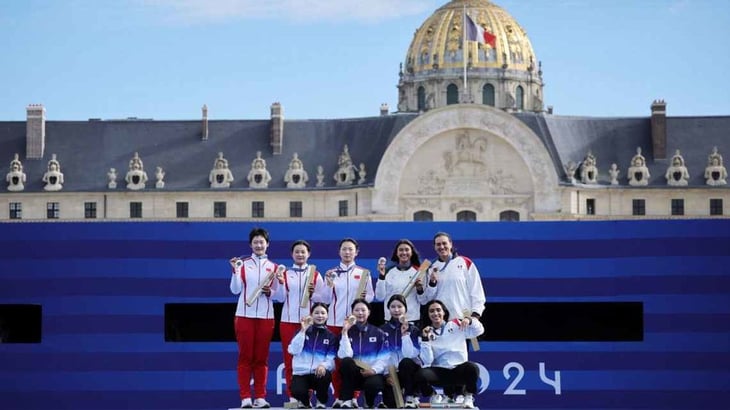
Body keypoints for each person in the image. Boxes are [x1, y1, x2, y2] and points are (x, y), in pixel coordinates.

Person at [272, 240, 329, 406]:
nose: (300, 254)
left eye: (303, 252)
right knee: (290, 360)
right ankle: (293, 397)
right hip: (288, 321)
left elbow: (323, 300)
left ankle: (307, 399)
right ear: (292, 254)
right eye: (297, 252)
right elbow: (280, 298)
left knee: (309, 361)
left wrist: (313, 295)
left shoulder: (316, 274)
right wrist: (281, 284)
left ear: (308, 254)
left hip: (309, 324)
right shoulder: (285, 273)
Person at [229, 227, 281, 409]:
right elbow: (235, 290)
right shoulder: (242, 264)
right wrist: (235, 272)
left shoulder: (274, 268)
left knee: (261, 359)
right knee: (245, 358)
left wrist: (271, 291)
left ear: (268, 244)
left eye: (262, 242)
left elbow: (279, 297)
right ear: (250, 245)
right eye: (255, 242)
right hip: (244, 316)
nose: (259, 245)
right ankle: (245, 398)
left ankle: (260, 397)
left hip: (266, 317)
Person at [321, 238, 375, 407]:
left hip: (355, 323)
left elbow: (371, 297)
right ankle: (338, 396)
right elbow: (325, 299)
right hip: (335, 322)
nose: (347, 252)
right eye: (344, 249)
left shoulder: (364, 273)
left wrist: (365, 295)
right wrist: (328, 284)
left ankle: (353, 397)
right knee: (337, 362)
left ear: (356, 252)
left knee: (355, 361)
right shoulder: (331, 273)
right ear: (339, 252)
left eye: (350, 249)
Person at [414, 300, 484, 409]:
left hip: (458, 370)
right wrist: (425, 340)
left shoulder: (456, 324)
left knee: (472, 368)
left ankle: (469, 397)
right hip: (440, 372)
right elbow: (427, 361)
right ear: (428, 315)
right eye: (431, 311)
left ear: (444, 312)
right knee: (421, 374)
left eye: (438, 310)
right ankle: (433, 395)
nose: (435, 313)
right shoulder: (426, 332)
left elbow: (479, 331)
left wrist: (469, 320)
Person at [337, 299, 389, 409]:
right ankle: (347, 400)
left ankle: (369, 402)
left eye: (363, 310)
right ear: (352, 313)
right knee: (346, 362)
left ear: (369, 312)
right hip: (354, 373)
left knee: (374, 385)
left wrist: (374, 370)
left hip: (372, 372)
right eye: (357, 310)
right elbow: (344, 356)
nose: (360, 313)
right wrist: (345, 332)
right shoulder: (348, 332)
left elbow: (384, 358)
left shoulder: (379, 333)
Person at [427, 232, 486, 326]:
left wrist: (474, 317)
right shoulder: (431, 267)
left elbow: (477, 292)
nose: (441, 247)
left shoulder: (465, 263)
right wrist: (432, 282)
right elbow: (429, 297)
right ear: (434, 247)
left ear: (450, 244)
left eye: (444, 243)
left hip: (464, 320)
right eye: (438, 244)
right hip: (442, 322)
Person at [288, 303, 338, 409]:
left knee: (325, 376)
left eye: (323, 313)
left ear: (327, 316)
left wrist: (323, 366)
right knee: (297, 391)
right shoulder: (301, 331)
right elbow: (293, 350)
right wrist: (302, 331)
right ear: (311, 315)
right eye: (316, 313)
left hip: (318, 373)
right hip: (301, 373)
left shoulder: (331, 336)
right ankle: (305, 403)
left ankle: (321, 401)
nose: (320, 316)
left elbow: (331, 358)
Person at [379, 294, 423, 409]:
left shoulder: (413, 329)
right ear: (388, 309)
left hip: (410, 371)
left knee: (406, 362)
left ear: (405, 309)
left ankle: (411, 397)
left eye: (400, 306)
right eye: (393, 307)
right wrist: (386, 374)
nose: (396, 310)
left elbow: (411, 355)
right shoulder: (382, 330)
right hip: (392, 373)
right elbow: (381, 356)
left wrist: (405, 335)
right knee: (391, 404)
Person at [375, 239, 433, 323]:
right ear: (396, 253)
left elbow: (423, 301)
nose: (404, 253)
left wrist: (419, 289)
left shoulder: (419, 272)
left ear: (412, 252)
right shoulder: (388, 272)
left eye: (407, 250)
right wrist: (381, 277)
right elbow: (380, 297)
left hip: (411, 320)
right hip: (390, 320)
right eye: (401, 250)